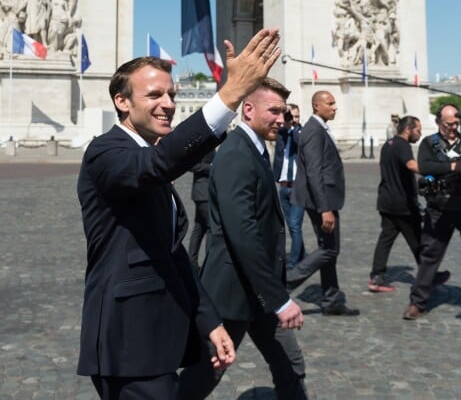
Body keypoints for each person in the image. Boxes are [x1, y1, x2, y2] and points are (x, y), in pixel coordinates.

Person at [77, 28, 281, 399]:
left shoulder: (147, 156)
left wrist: (210, 321)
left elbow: (174, 257)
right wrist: (231, 94)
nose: (168, 103)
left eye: (172, 94)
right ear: (122, 102)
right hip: (128, 339)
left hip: (158, 335)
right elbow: (159, 163)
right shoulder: (106, 152)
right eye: (154, 94)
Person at [178, 78, 308, 400]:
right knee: (206, 373)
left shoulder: (255, 147)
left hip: (259, 291)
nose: (282, 118)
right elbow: (242, 232)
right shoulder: (237, 152)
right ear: (248, 109)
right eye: (274, 111)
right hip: (233, 292)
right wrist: (278, 298)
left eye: (284, 111)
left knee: (290, 364)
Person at [402, 104, 461, 321]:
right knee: (429, 256)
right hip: (439, 209)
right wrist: (453, 168)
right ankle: (417, 303)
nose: (453, 128)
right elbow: (425, 167)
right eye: (448, 124)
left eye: (456, 123)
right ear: (438, 123)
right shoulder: (429, 143)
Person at [286, 91, 359, 316]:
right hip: (321, 201)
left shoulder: (318, 128)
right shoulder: (314, 131)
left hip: (324, 199)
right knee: (329, 249)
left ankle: (331, 300)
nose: (335, 107)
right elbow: (314, 172)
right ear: (317, 106)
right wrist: (324, 208)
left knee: (330, 249)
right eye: (330, 103)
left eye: (334, 103)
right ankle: (285, 283)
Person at [368, 116, 451, 292]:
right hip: (402, 204)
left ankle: (377, 276)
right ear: (408, 129)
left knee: (386, 239)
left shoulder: (388, 144)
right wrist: (435, 171)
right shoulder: (403, 145)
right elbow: (412, 165)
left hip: (386, 200)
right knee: (419, 241)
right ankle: (430, 276)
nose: (420, 134)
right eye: (418, 130)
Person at [273, 103, 306, 269]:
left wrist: (293, 126)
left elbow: (300, 142)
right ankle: (301, 255)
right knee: (293, 226)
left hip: (298, 187)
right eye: (291, 116)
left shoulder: (302, 132)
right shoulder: (282, 133)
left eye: (297, 116)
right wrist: (285, 124)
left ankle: (294, 263)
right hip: (283, 186)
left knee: (294, 224)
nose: (294, 119)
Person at [188, 149, 215, 271]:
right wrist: (211, 168)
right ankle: (210, 264)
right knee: (211, 227)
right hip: (203, 192)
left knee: (199, 228)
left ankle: (192, 263)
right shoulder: (202, 144)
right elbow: (192, 165)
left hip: (202, 192)